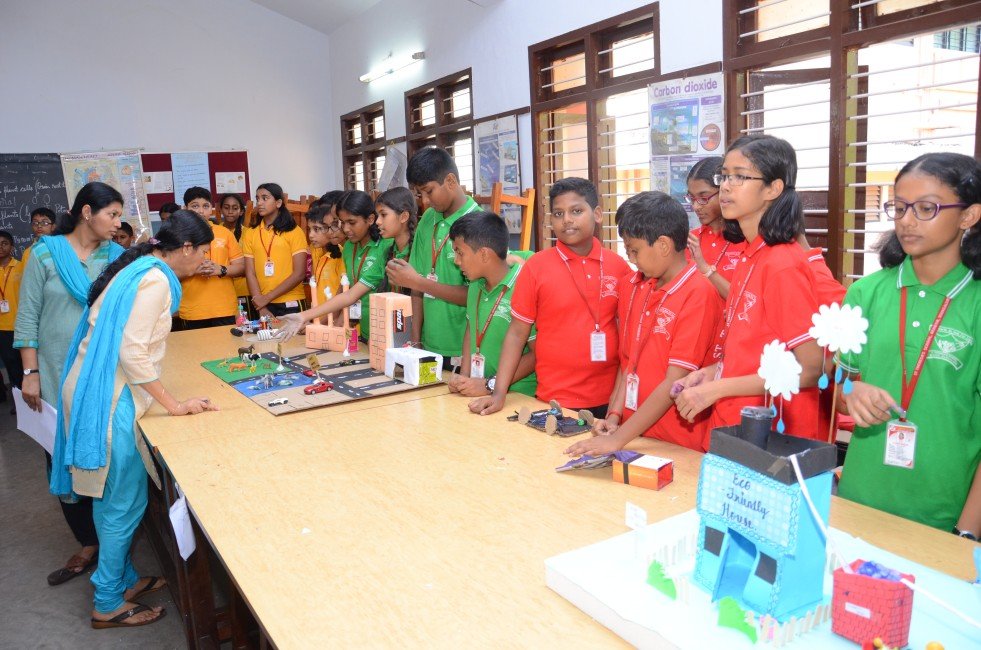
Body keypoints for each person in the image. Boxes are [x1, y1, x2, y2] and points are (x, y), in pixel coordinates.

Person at [52, 211, 219, 629]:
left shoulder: (140, 265)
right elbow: (132, 351)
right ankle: (107, 601)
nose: (205, 259)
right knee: (123, 504)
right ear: (186, 247)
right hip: (109, 397)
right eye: (203, 251)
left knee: (110, 497)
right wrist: (174, 404)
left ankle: (123, 579)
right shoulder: (157, 279)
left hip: (92, 386)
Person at [836, 152, 980, 536]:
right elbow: (837, 389)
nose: (907, 221)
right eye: (899, 208)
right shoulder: (866, 293)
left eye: (926, 208)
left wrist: (966, 533)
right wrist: (851, 392)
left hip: (944, 515)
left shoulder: (976, 302)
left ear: (969, 216)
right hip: (859, 501)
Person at [673, 135, 826, 439]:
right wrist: (712, 373)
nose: (726, 187)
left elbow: (811, 369)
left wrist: (719, 388)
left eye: (740, 177)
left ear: (773, 188)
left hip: (771, 435)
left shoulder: (782, 263)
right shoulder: (751, 254)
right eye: (725, 176)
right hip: (737, 424)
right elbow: (753, 350)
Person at [14, 181, 126, 586]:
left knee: (106, 451)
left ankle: (113, 540)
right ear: (86, 212)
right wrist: (30, 374)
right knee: (61, 455)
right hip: (54, 371)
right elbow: (28, 316)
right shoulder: (45, 253)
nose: (117, 223)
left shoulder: (118, 258)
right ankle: (88, 541)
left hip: (103, 373)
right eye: (112, 214)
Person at [566, 192, 722, 457]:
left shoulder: (698, 294)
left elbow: (674, 381)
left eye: (634, 250)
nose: (631, 258)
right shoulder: (640, 286)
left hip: (677, 441)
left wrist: (618, 440)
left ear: (663, 245)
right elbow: (629, 362)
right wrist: (614, 416)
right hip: (634, 434)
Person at [469, 177, 630, 418]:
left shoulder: (619, 268)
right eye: (558, 213)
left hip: (609, 400)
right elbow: (517, 333)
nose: (567, 220)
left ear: (597, 214)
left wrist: (617, 409)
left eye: (576, 211)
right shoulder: (536, 267)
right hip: (554, 399)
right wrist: (498, 392)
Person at [386, 148, 479, 363]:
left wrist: (417, 282)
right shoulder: (428, 218)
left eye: (429, 191)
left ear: (450, 181)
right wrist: (416, 342)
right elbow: (416, 287)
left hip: (463, 351)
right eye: (420, 194)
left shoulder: (478, 223)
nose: (425, 201)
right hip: (428, 345)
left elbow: (475, 295)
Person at [279, 191, 392, 340]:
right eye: (342, 222)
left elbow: (350, 296)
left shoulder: (384, 247)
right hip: (364, 331)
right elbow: (344, 291)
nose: (346, 229)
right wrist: (333, 326)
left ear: (370, 219)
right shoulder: (350, 247)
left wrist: (304, 316)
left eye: (351, 222)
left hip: (384, 331)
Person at [447, 211, 536, 398]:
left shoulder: (524, 286)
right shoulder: (475, 285)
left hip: (518, 395)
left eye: (460, 253)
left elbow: (537, 355)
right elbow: (471, 330)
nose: (456, 261)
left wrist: (490, 384)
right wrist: (464, 377)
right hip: (481, 392)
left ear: (484, 254)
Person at [176, 187, 245, 329]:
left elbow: (241, 267)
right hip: (193, 310)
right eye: (195, 206)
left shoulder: (224, 233)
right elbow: (170, 273)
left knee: (226, 344)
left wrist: (221, 269)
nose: (201, 211)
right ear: (185, 208)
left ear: (211, 209)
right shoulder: (178, 235)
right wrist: (193, 270)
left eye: (205, 206)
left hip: (224, 308)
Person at [242, 183, 308, 317]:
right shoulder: (250, 233)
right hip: (262, 304)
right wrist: (261, 306)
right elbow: (250, 272)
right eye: (257, 198)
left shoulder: (294, 231)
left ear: (278, 203)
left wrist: (266, 298)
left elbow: (299, 273)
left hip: (291, 301)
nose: (259, 203)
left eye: (265, 198)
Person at [685, 157, 746, 299]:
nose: (696, 206)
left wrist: (705, 269)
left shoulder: (747, 238)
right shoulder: (689, 240)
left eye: (704, 198)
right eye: (692, 198)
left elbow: (745, 302)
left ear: (725, 191)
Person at [376, 187, 418, 294]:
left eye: (383, 215)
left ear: (403, 217)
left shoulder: (419, 251)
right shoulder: (387, 251)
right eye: (377, 216)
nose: (377, 221)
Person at [0, 230, 24, 410]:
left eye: (4, 243)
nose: (1, 247)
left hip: (22, 325)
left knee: (26, 365)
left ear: (12, 247)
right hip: (3, 327)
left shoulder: (21, 267)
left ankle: (34, 399)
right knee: (11, 366)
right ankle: (19, 404)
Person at [305, 203, 344, 304]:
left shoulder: (341, 256)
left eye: (316, 229)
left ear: (330, 229)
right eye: (309, 229)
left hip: (333, 311)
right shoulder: (315, 249)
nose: (310, 235)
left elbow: (343, 291)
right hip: (318, 310)